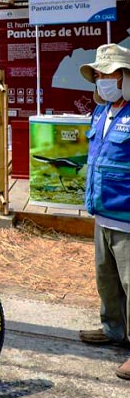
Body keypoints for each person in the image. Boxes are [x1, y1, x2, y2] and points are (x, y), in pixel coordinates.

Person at [78, 44, 130, 380]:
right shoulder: (101, 113)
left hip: (128, 218)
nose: (101, 80)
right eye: (98, 75)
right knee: (107, 280)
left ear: (126, 78)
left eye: (108, 74)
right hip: (103, 213)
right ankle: (113, 329)